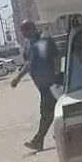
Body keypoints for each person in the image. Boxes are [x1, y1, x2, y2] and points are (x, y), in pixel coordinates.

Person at [11, 20, 61, 152]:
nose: (24, 34)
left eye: (26, 31)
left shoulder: (45, 40)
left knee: (46, 111)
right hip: (42, 85)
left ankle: (38, 140)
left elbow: (56, 57)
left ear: (32, 28)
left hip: (51, 83)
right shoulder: (28, 45)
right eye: (23, 32)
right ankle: (60, 133)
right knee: (55, 110)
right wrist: (18, 78)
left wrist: (57, 75)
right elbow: (29, 63)